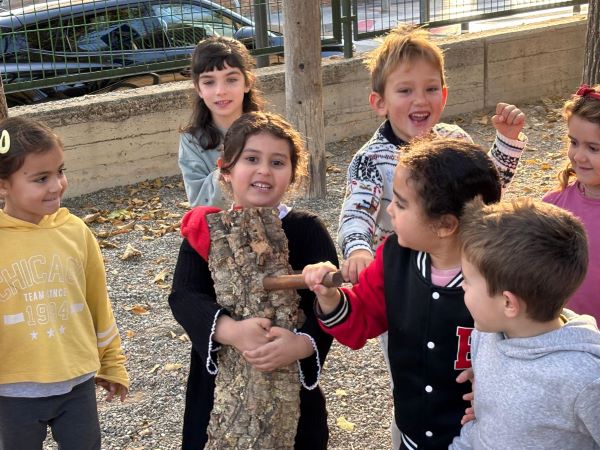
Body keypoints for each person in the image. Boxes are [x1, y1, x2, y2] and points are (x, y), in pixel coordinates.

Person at [336, 26, 526, 446]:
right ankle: (412, 431)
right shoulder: (371, 158)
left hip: (465, 270)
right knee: (413, 365)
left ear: (444, 93)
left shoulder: (454, 140)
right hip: (402, 279)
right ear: (379, 102)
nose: (420, 100)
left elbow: (485, 190)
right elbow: (357, 209)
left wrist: (507, 144)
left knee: (473, 359)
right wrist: (358, 249)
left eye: (430, 88)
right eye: (405, 90)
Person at [303, 138, 502, 450]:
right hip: (413, 432)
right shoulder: (393, 255)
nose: (389, 209)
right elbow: (363, 318)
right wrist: (330, 298)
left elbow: (527, 343)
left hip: (480, 437)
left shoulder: (500, 275)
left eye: (401, 203)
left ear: (445, 225)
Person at [169, 111, 339, 449]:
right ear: (226, 170)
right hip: (219, 388)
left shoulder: (308, 230)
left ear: (293, 174)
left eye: (277, 162)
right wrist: (231, 330)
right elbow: (184, 296)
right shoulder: (207, 231)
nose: (264, 170)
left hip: (291, 382)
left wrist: (301, 345)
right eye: (251, 159)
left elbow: (330, 304)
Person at [0, 117, 129, 449]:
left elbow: (98, 302)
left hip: (77, 384)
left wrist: (112, 362)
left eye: (60, 171)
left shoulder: (76, 232)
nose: (57, 185)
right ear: (3, 185)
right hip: (11, 393)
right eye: (41, 178)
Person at [449, 197, 600, 449]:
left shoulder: (584, 379)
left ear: (508, 303)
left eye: (467, 280)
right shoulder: (486, 333)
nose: (462, 286)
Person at [178, 36, 263, 209]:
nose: (220, 91)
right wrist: (231, 163)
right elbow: (200, 202)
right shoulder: (192, 141)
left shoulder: (268, 132)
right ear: (198, 88)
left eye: (231, 80)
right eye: (209, 82)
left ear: (248, 83)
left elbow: (280, 187)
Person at [543, 84, 600, 323]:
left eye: (593, 148)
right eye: (574, 142)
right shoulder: (552, 206)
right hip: (563, 335)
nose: (578, 156)